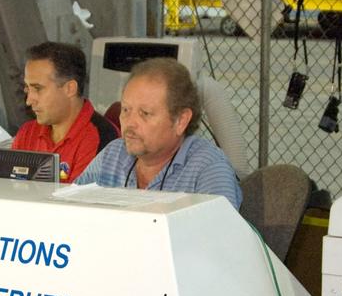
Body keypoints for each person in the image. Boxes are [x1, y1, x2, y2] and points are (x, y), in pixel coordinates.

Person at [74, 57, 242, 208]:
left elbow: (221, 232)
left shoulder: (208, 169)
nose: (130, 123)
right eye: (125, 110)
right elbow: (69, 209)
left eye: (145, 113)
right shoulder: (113, 155)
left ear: (181, 121)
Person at [10, 41, 116, 182]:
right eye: (27, 89)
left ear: (70, 89)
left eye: (38, 89)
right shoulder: (27, 133)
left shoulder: (102, 139)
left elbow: (78, 196)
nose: (29, 100)